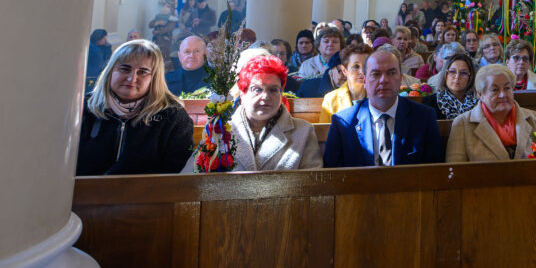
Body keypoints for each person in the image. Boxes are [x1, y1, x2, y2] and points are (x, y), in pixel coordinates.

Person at [183, 55, 320, 173]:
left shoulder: (303, 131)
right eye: (257, 89)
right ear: (242, 93)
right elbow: (191, 177)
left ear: (281, 94)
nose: (265, 96)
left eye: (273, 90)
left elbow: (313, 183)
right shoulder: (219, 130)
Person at [77, 40, 194, 175]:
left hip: (147, 189)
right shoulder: (83, 107)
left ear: (154, 78)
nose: (132, 79)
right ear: (110, 71)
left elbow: (175, 169)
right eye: (125, 69)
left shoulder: (173, 116)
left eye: (142, 72)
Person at [323, 49, 442, 167]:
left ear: (401, 78)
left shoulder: (424, 117)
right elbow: (333, 172)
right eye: (375, 74)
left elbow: (434, 170)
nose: (383, 80)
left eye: (391, 73)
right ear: (365, 81)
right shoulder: (343, 122)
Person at [446, 64, 536, 161]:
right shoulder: (462, 124)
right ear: (480, 94)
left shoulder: (533, 118)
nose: (503, 95)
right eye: (495, 90)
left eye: (507, 88)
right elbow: (455, 171)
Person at [320, 44, 373, 122]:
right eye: (356, 67)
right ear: (344, 70)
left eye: (366, 66)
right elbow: (324, 129)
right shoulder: (330, 99)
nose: (362, 72)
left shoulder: (379, 96)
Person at [422, 52, 479, 120]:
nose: (457, 77)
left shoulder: (479, 104)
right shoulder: (428, 103)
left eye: (463, 73)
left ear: (470, 77)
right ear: (445, 75)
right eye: (452, 72)